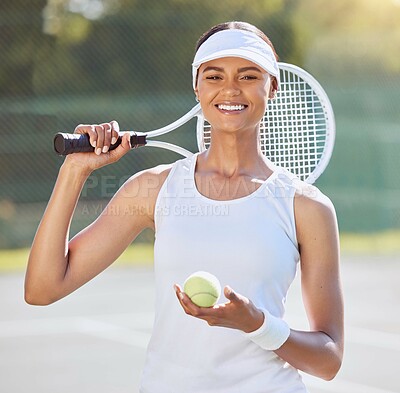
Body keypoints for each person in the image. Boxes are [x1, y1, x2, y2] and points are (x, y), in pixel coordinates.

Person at [25, 21, 344, 393]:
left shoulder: (307, 207)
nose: (230, 89)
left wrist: (257, 324)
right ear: (197, 87)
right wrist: (74, 171)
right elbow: (42, 288)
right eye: (213, 76)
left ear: (271, 87)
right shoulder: (152, 189)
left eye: (248, 75)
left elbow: (329, 360)